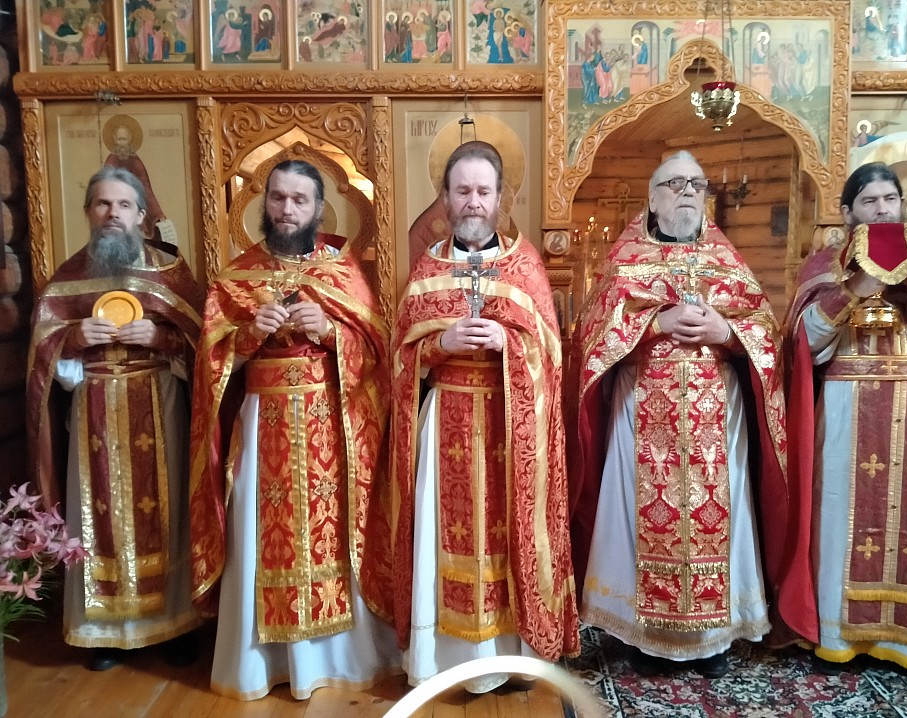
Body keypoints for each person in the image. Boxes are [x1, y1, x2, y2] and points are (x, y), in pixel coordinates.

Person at [568, 151, 798, 679]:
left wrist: (728, 332)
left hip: (717, 414)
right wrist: (654, 323)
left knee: (721, 514)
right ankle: (641, 633)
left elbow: (766, 332)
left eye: (697, 183)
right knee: (636, 514)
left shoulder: (726, 260)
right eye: (675, 184)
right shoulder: (626, 259)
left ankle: (712, 639)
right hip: (642, 409)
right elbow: (593, 335)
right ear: (653, 199)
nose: (689, 191)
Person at [189, 159, 399, 700]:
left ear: (319, 208)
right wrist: (245, 335)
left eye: (299, 200)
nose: (287, 209)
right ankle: (263, 663)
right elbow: (210, 367)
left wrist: (331, 332)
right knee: (260, 533)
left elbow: (377, 351)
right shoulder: (236, 277)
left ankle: (340, 657)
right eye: (278, 198)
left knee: (332, 532)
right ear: (263, 204)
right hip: (263, 426)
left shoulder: (342, 270)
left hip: (330, 425)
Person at [391, 141, 580, 693]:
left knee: (508, 533)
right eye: (462, 191)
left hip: (509, 427)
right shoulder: (427, 269)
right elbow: (400, 357)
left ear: (500, 198)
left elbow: (552, 355)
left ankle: (511, 656)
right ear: (445, 199)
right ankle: (445, 659)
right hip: (445, 419)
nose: (473, 201)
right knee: (443, 534)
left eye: (483, 191)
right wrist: (440, 344)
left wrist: (509, 343)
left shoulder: (525, 265)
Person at [26, 166, 205, 671]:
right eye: (103, 204)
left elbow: (204, 344)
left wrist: (162, 338)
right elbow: (43, 357)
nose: (113, 214)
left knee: (167, 515)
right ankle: (104, 631)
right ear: (88, 212)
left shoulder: (170, 273)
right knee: (96, 516)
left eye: (124, 205)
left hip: (159, 404)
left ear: (142, 215)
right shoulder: (69, 278)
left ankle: (176, 622)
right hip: (93, 413)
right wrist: (73, 339)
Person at [786, 162, 907, 674]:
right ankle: (839, 634)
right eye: (869, 201)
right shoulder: (826, 265)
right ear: (847, 213)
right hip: (849, 406)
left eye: (890, 199)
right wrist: (858, 284)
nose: (882, 209)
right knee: (842, 519)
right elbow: (805, 343)